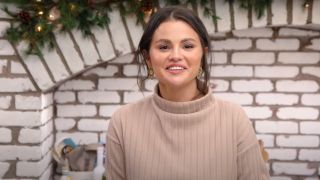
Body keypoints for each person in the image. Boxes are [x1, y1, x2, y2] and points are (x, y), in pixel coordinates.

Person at [106, 6, 270, 180]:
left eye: (188, 46)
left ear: (202, 55)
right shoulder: (123, 122)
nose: (176, 55)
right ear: (148, 59)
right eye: (163, 47)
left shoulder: (234, 119)